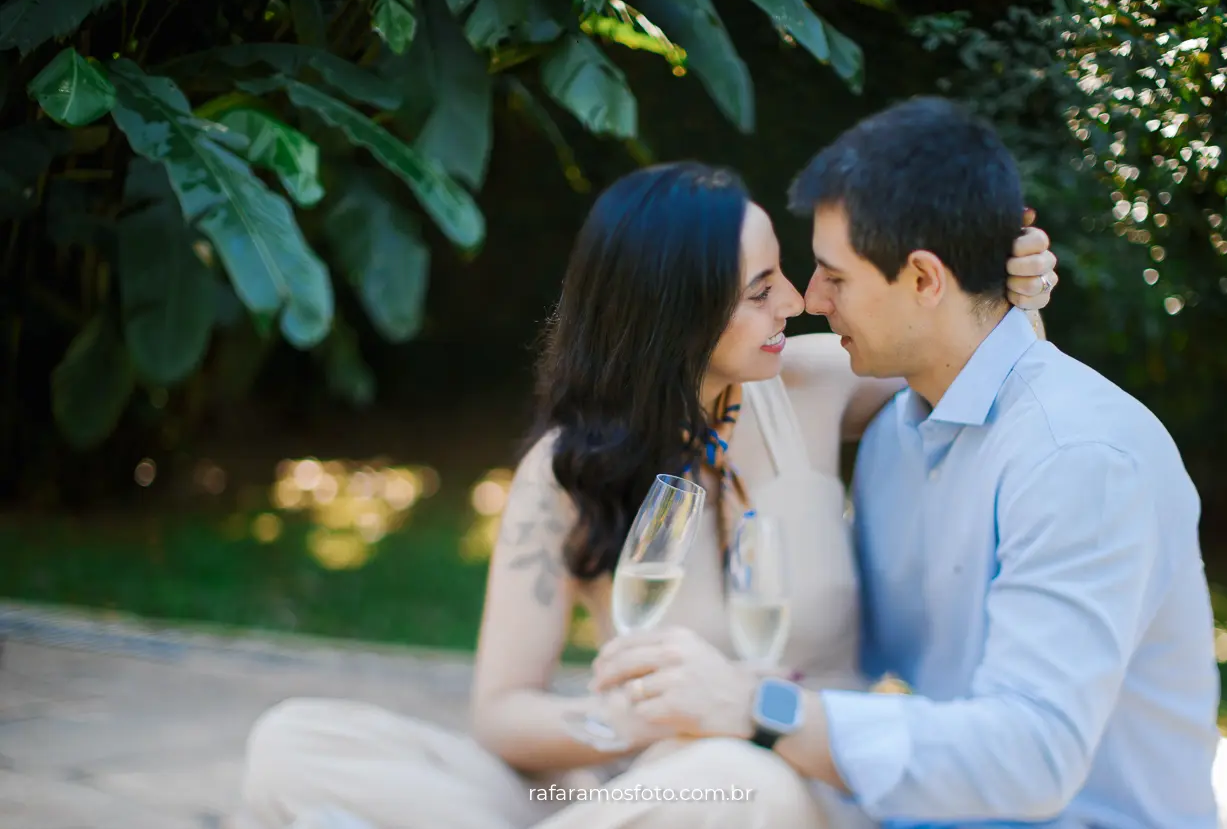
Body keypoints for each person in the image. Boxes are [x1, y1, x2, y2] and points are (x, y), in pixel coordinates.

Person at [234, 160, 1060, 829]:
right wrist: (641, 725)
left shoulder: (810, 385)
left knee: (740, 785)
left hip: (791, 793)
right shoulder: (565, 472)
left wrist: (1009, 289)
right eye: (758, 288)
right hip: (634, 790)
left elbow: (983, 374)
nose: (796, 301)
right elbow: (503, 712)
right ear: (675, 316)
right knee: (296, 743)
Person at [590, 97, 1222, 828]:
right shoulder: (896, 434)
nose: (808, 299)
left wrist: (757, 706)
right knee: (711, 783)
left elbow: (1032, 760)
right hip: (923, 815)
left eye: (835, 275)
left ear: (924, 279)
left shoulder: (1081, 457)